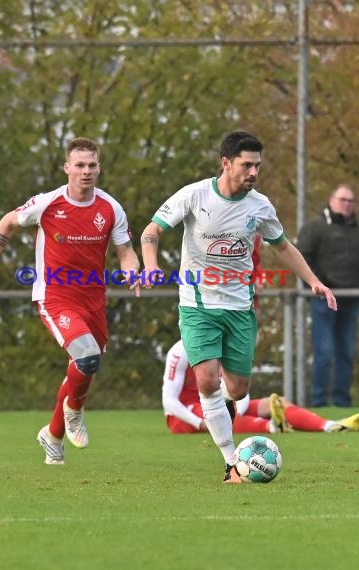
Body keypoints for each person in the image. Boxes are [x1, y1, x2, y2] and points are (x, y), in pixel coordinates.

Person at [141, 130, 337, 484]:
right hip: (197, 305)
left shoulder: (259, 206)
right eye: (246, 165)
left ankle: (226, 417)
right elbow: (151, 231)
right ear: (226, 163)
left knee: (240, 389)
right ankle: (231, 461)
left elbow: (283, 247)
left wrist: (313, 280)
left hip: (239, 308)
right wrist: (151, 265)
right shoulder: (194, 195)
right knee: (206, 380)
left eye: (257, 166)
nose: (253, 172)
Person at [0, 137, 141, 465]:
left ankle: (52, 435)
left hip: (93, 300)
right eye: (79, 165)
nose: (86, 171)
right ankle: (74, 412)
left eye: (92, 165)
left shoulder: (110, 208)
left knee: (82, 367)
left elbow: (126, 252)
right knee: (88, 358)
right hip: (55, 297)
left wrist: (132, 271)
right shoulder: (48, 203)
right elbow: (7, 222)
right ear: (67, 168)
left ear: (99, 168)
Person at [162, 339, 359, 434]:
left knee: (277, 402)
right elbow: (170, 401)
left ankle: (329, 426)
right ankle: (272, 427)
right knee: (224, 417)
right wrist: (199, 423)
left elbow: (238, 389)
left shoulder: (225, 348)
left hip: (220, 404)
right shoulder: (179, 352)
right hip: (185, 415)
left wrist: (238, 407)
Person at [297, 184, 359, 408]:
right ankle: (319, 402)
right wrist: (320, 284)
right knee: (324, 351)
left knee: (347, 351)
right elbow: (303, 256)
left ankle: (343, 401)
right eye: (343, 199)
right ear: (332, 200)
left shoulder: (355, 230)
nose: (347, 204)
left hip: (351, 299)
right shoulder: (315, 227)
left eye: (351, 201)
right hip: (323, 299)